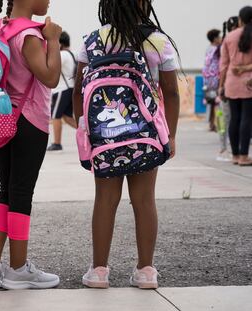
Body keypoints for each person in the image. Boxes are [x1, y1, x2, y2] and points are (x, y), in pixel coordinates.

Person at [73, 0, 180, 289]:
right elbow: (170, 92)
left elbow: (78, 91)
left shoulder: (92, 41)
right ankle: (146, 271)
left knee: (105, 200)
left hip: (104, 138)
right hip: (146, 136)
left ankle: (98, 271)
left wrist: (86, 132)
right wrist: (170, 136)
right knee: (144, 200)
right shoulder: (157, 41)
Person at [0, 0, 62, 290]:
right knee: (21, 191)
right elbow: (50, 77)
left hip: (1, 118)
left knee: (6, 188)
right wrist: (53, 39)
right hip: (30, 120)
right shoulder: (30, 36)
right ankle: (17, 269)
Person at [219, 6, 252, 166]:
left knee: (234, 118)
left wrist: (221, 85)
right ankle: (244, 156)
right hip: (249, 83)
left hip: (231, 82)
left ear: (240, 19)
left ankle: (236, 156)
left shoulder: (230, 36)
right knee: (247, 118)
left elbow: (223, 64)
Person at [47, 31, 77, 152]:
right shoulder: (73, 54)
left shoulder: (62, 55)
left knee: (55, 116)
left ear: (60, 43)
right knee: (67, 117)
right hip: (71, 88)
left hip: (62, 89)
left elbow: (51, 68)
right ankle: (88, 134)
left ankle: (57, 143)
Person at [215, 16, 239, 162]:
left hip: (225, 85)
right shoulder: (232, 42)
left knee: (228, 119)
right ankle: (225, 147)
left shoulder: (225, 42)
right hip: (227, 85)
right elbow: (221, 68)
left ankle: (228, 147)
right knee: (226, 119)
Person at [203, 29, 222, 132]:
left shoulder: (208, 48)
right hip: (214, 78)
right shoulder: (216, 49)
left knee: (211, 102)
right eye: (219, 37)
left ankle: (211, 123)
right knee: (216, 101)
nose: (220, 39)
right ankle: (216, 124)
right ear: (215, 39)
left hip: (208, 77)